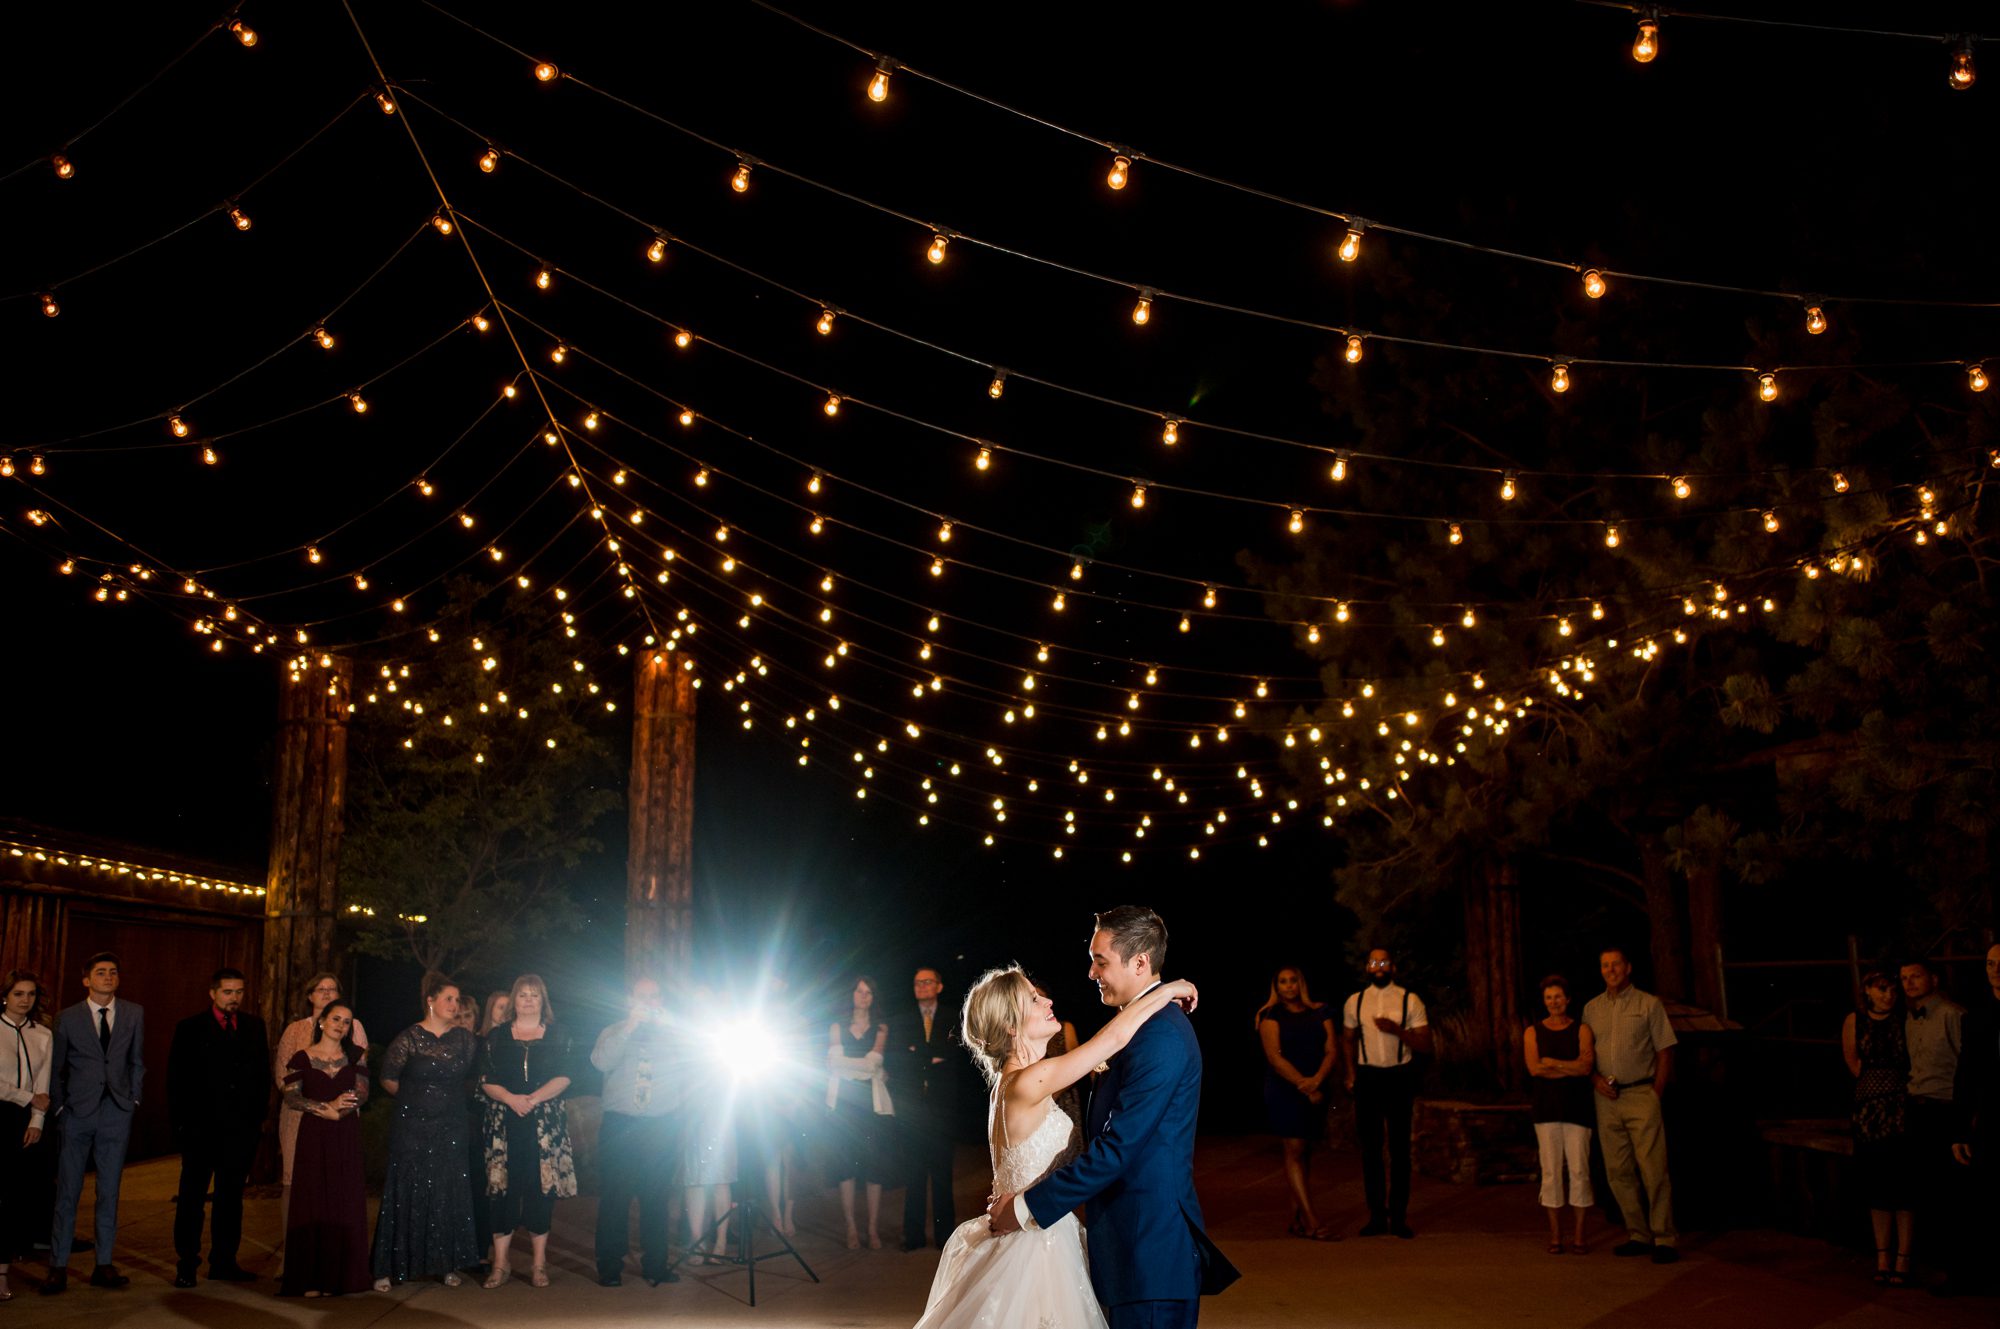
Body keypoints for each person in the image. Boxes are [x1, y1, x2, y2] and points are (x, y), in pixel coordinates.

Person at [988, 905, 1240, 1329]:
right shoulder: (1135, 1027)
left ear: (1140, 962)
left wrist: (1028, 1206)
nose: (1090, 973)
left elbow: (1117, 1150)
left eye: (1099, 960)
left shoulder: (1160, 1034)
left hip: (1150, 1255)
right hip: (1124, 1252)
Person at [919, 963, 1201, 1329]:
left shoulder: (1006, 1086)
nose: (1048, 1000)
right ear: (1010, 1024)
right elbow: (1113, 1040)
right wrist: (1163, 991)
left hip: (1035, 1227)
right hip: (1036, 1246)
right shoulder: (1030, 1080)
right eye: (1034, 1000)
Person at [43, 951, 143, 1295]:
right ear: (87, 980)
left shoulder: (133, 1013)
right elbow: (55, 1068)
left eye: (113, 972)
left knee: (109, 1192)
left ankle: (104, 1264)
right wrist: (59, 1108)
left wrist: (133, 1099)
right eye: (101, 973)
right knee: (68, 1192)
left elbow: (137, 1061)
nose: (108, 977)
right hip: (76, 1113)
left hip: (116, 1112)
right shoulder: (67, 1017)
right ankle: (58, 1266)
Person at [371, 974, 479, 1290]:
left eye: (457, 1000)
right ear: (430, 1000)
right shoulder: (409, 1037)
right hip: (413, 1125)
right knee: (407, 1187)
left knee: (448, 1188)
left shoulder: (464, 1039)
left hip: (451, 1124)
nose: (454, 1004)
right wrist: (416, 1101)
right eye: (448, 998)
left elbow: (471, 1079)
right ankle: (393, 1265)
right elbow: (389, 1077)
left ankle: (445, 1263)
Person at [166, 967, 268, 1286]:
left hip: (239, 1133)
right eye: (227, 992)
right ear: (213, 993)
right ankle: (187, 1262)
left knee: (230, 1199)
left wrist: (254, 1124)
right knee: (192, 1199)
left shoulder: (253, 1026)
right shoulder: (190, 1028)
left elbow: (262, 1078)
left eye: (239, 992)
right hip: (200, 1131)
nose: (234, 998)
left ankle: (224, 1261)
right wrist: (181, 1128)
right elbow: (176, 1081)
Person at [479, 974, 576, 1288]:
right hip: (504, 1123)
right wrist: (510, 1099)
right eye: (523, 995)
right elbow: (486, 1078)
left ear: (542, 1001)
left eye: (535, 995)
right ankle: (501, 1263)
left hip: (544, 1124)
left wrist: (532, 1099)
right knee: (502, 1192)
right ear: (514, 999)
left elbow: (566, 1076)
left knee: (539, 1191)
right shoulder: (496, 1036)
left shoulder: (559, 1034)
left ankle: (538, 1265)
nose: (529, 1000)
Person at [1583, 946, 1679, 1264]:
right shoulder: (1592, 1009)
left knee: (1653, 1168)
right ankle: (1638, 1234)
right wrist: (1595, 1079)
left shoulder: (1648, 1004)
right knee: (1617, 1171)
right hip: (1606, 1097)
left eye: (1616, 965)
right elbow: (1586, 1053)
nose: (1610, 970)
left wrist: (1657, 1091)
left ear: (1628, 968)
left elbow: (1665, 1049)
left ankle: (1664, 1237)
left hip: (1641, 1093)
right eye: (1604, 965)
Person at [591, 975, 684, 1288]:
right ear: (630, 1001)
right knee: (616, 1197)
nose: (649, 1002)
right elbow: (601, 1062)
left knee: (656, 1198)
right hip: (622, 1125)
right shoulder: (614, 1031)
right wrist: (630, 1026)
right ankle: (609, 1266)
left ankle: (656, 1265)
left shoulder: (673, 1034)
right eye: (642, 997)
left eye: (654, 996)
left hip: (661, 1123)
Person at [279, 1002, 369, 1297]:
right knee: (313, 1199)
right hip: (314, 1135)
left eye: (347, 1021)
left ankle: (338, 1278)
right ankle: (310, 1278)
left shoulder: (355, 1056)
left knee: (342, 1199)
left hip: (345, 1134)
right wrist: (324, 1108)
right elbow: (291, 1096)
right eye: (336, 1019)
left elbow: (363, 1092)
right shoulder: (302, 1057)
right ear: (322, 1022)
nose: (340, 1025)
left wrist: (339, 1113)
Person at [1341, 947, 1431, 1238]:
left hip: (1398, 1076)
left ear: (1393, 967)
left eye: (1384, 962)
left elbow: (1425, 1044)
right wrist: (1351, 1073)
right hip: (1368, 1077)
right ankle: (1377, 1216)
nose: (1378, 966)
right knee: (1371, 1150)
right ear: (1367, 967)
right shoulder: (1356, 1001)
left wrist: (1397, 1030)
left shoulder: (1409, 999)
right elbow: (1347, 1038)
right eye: (1373, 962)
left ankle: (1399, 1217)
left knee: (1399, 1150)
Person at [273, 973, 369, 1237]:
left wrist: (339, 1111)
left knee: (340, 1184)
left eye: (332, 989)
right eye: (320, 989)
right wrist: (322, 1108)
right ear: (311, 996)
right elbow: (285, 1082)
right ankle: (292, 1253)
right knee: (299, 1183)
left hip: (343, 1118)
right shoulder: (296, 1035)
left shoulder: (354, 1043)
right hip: (302, 1119)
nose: (326, 993)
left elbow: (361, 1087)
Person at [1254, 965, 1338, 1240]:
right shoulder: (1270, 1016)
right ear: (1276, 987)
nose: (1288, 986)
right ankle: (1312, 1221)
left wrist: (1317, 1081)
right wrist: (1305, 1084)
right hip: (1285, 1090)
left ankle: (1297, 1218)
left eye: (1292, 981)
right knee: (1295, 1149)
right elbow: (1275, 1058)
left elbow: (1331, 1049)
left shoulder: (1320, 1012)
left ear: (1300, 983)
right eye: (1282, 982)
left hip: (1315, 1087)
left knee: (1305, 1151)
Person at [1840, 967, 1912, 1286]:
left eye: (1892, 989)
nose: (1888, 995)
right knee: (1876, 1184)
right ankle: (1882, 1255)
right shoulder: (1855, 1020)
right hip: (1869, 1110)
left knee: (1903, 1184)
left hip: (1899, 1106)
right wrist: (1873, 1090)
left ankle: (1903, 1258)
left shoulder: (1905, 1020)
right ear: (1868, 990)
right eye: (1881, 989)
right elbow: (1852, 1060)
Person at [1899, 956, 1963, 1293]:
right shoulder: (1911, 1018)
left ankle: (1956, 1268)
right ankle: (1936, 1262)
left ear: (1934, 979)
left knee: (1949, 1189)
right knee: (1925, 1185)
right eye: (1904, 977)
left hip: (1945, 1107)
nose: (1908, 983)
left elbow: (1966, 1064)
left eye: (1916, 976)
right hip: (1918, 1106)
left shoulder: (1952, 1015)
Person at [1523, 974, 1596, 1254]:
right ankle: (1556, 1235)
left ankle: (1579, 1236)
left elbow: (1586, 1068)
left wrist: (1553, 1063)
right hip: (1547, 1110)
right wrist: (1571, 1067)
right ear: (1544, 1001)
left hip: (1578, 1109)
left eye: (1558, 997)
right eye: (1548, 998)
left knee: (1579, 1170)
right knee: (1551, 1172)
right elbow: (1534, 1069)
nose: (1553, 1002)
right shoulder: (1533, 1032)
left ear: (1567, 999)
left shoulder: (1581, 1030)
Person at [1945, 942, 2000, 1297]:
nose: (1995, 968)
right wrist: (1960, 1128)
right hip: (1993, 1118)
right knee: (1983, 1199)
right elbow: (1966, 1074)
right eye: (1990, 963)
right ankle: (1977, 1274)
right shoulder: (1977, 1016)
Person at [827, 975, 891, 1250]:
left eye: (868, 992)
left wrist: (850, 1065)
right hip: (843, 1104)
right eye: (859, 990)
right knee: (846, 1167)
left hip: (870, 1104)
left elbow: (872, 1064)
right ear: (851, 994)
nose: (863, 996)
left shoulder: (881, 1027)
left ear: (873, 997)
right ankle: (851, 1227)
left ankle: (872, 1228)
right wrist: (863, 1065)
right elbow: (833, 1064)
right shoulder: (837, 1026)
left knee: (873, 1168)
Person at [897, 965, 958, 1252]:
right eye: (917, 982)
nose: (922, 986)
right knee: (913, 1173)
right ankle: (913, 1235)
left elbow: (954, 1055)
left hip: (943, 1109)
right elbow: (901, 1057)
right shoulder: (905, 1019)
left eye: (927, 982)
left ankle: (945, 1236)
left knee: (943, 1174)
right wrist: (930, 1057)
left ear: (939, 986)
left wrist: (920, 1054)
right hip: (913, 1108)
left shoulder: (950, 1017)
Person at [1, 971, 52, 1303]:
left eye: (31, 994)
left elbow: (43, 1086)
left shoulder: (43, 1034)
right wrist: (25, 1097)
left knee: (13, 1198)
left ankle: (2, 1272)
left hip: (25, 1120)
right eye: (19, 993)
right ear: (6, 996)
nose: (25, 999)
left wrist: (37, 1119)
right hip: (0, 1111)